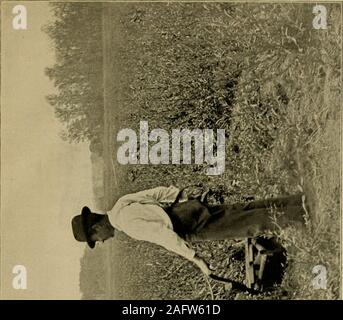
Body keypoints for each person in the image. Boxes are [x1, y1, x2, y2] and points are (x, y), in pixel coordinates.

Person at [71, 185, 306, 276]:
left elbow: (164, 236)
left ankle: (301, 215)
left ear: (96, 226)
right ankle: (297, 202)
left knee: (246, 224)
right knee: (242, 210)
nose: (100, 241)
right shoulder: (121, 202)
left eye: (95, 238)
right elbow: (159, 193)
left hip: (186, 226)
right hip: (187, 210)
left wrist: (197, 260)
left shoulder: (127, 224)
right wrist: (184, 197)